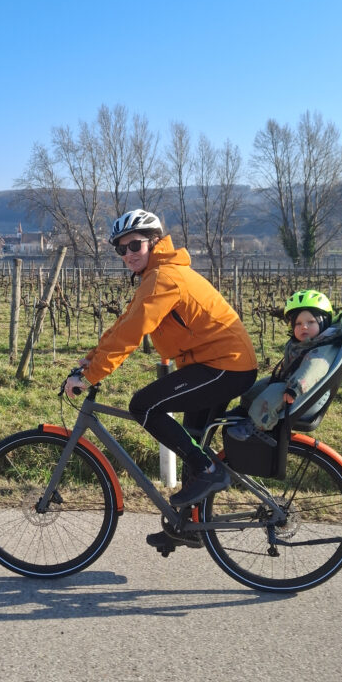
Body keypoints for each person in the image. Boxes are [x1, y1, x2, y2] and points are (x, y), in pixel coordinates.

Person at [65, 209, 258, 551]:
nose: (128, 254)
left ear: (155, 242)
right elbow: (126, 322)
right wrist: (93, 359)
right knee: (192, 440)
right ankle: (188, 526)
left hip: (224, 366)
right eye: (121, 249)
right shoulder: (155, 275)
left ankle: (210, 473)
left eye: (135, 245)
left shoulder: (163, 277)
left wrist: (91, 375)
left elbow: (132, 333)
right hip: (216, 364)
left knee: (143, 406)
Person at [230, 289, 342, 441]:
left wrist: (294, 389)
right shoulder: (307, 343)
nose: (304, 327)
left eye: (311, 322)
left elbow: (313, 370)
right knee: (258, 387)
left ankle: (254, 425)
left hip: (308, 393)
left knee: (272, 394)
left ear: (324, 322)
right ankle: (244, 410)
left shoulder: (322, 349)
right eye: (298, 323)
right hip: (294, 384)